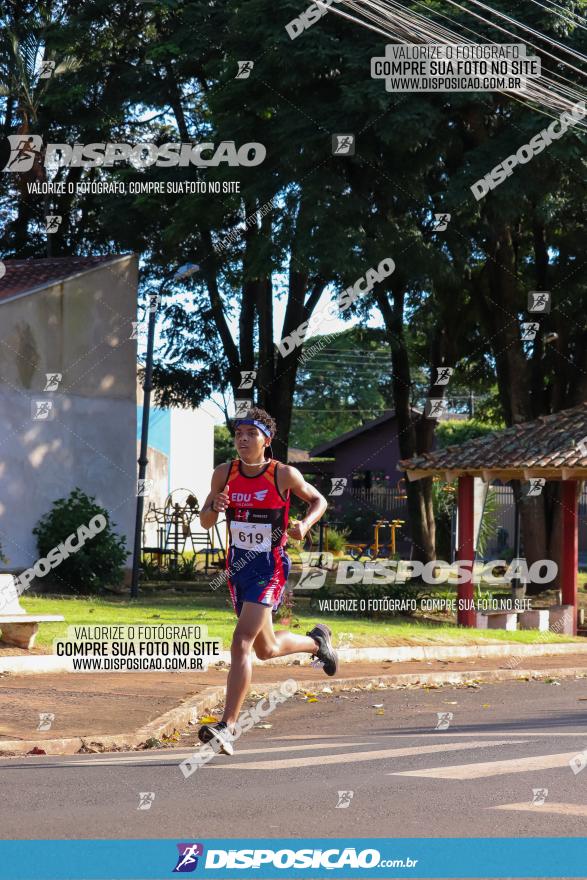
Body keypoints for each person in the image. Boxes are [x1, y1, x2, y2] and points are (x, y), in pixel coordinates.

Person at [198, 406, 337, 754]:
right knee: (266, 649)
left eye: (251, 435)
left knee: (241, 641)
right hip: (238, 569)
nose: (243, 440)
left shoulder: (283, 475)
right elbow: (204, 521)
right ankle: (317, 643)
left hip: (270, 567)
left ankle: (227, 726)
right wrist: (216, 504)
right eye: (238, 435)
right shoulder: (224, 473)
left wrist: (304, 525)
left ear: (266, 440)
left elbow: (318, 499)